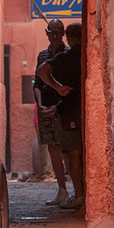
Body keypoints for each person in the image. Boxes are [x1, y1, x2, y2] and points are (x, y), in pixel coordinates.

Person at [37, 22, 85, 209]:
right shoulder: (82, 54)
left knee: (73, 154)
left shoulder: (66, 55)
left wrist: (58, 87)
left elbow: (42, 72)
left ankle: (79, 195)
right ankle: (77, 194)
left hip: (68, 110)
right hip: (73, 110)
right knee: (73, 153)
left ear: (67, 36)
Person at [33, 19, 69, 205]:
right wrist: (40, 105)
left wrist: (59, 104)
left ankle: (76, 192)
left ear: (63, 34)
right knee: (53, 149)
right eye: (51, 32)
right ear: (47, 33)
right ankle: (62, 190)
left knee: (67, 150)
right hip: (45, 109)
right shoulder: (42, 56)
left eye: (58, 32)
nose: (54, 35)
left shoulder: (68, 54)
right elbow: (37, 84)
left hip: (63, 109)